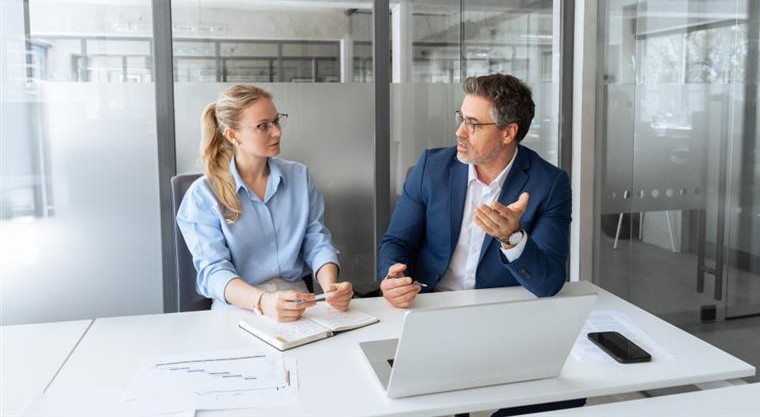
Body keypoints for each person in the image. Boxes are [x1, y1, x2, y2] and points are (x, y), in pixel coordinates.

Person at [379, 73, 571, 307]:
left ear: (508, 133)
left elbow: (548, 283)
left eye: (473, 124)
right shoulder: (431, 167)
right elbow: (397, 242)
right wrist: (392, 280)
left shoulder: (549, 184)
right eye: (461, 118)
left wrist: (512, 239)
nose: (459, 132)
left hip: (499, 312)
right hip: (429, 304)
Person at [177, 84, 352, 321]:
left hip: (299, 305)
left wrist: (330, 286)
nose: (277, 132)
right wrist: (263, 301)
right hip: (240, 308)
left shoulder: (299, 177)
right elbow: (214, 272)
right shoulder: (203, 195)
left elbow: (316, 240)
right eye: (263, 126)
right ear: (232, 135)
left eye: (276, 121)